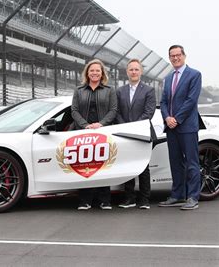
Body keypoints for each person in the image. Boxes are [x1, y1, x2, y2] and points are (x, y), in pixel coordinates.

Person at [159, 45, 202, 210]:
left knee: (192, 162)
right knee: (175, 162)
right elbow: (163, 101)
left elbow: (191, 101)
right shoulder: (168, 78)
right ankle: (177, 195)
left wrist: (176, 119)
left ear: (184, 56)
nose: (175, 58)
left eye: (178, 55)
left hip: (187, 126)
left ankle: (192, 197)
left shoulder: (195, 75)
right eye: (172, 56)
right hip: (171, 127)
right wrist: (167, 118)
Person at [71, 59, 118, 210]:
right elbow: (74, 111)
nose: (95, 73)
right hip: (83, 133)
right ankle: (85, 200)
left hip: (103, 132)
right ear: (87, 73)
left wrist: (101, 124)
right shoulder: (78, 90)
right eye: (92, 70)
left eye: (98, 70)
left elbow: (113, 110)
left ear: (102, 73)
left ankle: (105, 200)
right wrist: (85, 126)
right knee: (84, 165)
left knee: (103, 165)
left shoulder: (109, 90)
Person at [116, 58, 156, 209]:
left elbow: (149, 112)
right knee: (127, 166)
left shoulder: (148, 90)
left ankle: (144, 199)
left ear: (141, 72)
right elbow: (117, 112)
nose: (133, 72)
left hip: (143, 133)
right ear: (127, 72)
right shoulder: (120, 91)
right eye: (131, 69)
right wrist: (125, 127)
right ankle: (129, 198)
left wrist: (135, 127)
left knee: (143, 166)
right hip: (125, 134)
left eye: (136, 69)